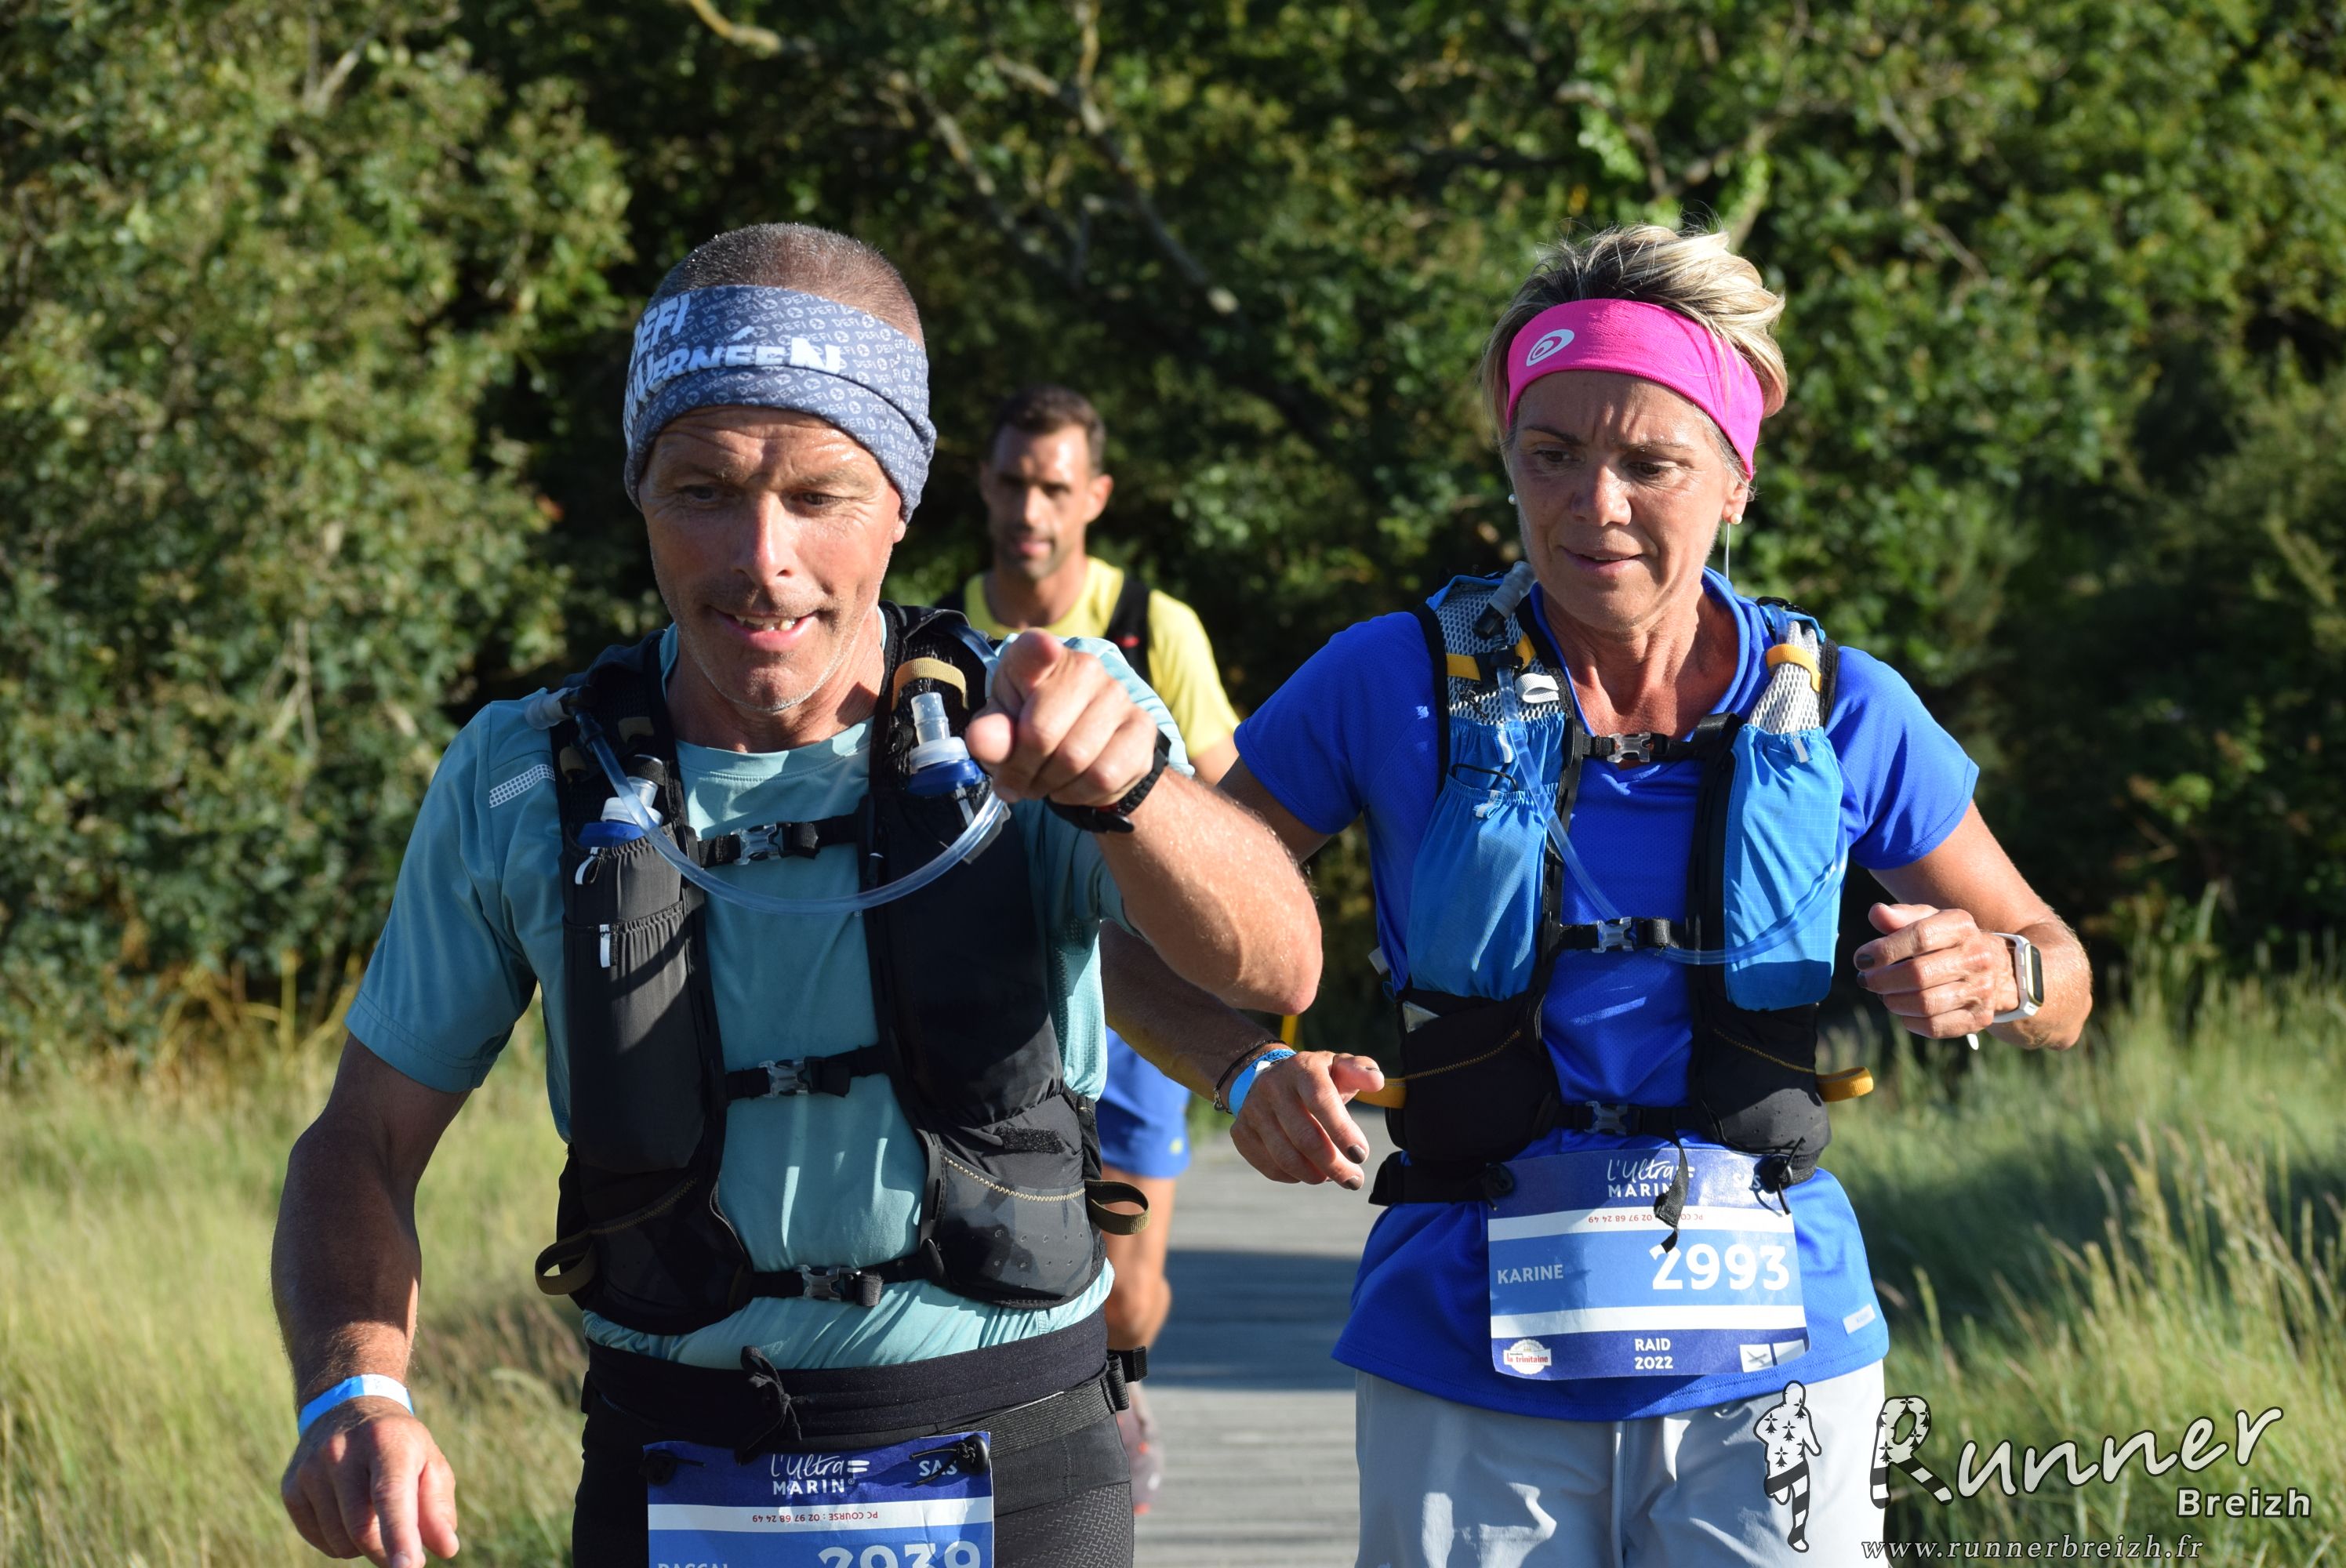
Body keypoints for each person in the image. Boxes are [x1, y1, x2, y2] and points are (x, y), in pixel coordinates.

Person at [270, 222, 1320, 1568]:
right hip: (665, 1467)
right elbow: (361, 1142)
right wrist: (356, 1394)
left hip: (1022, 1465)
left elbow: (1277, 965)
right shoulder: (524, 778)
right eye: (703, 488)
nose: (761, 554)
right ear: (640, 491)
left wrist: (1136, 796)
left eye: (820, 494)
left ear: (905, 499)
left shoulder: (1046, 711)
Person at [1100, 223, 2091, 1565]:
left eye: (1650, 464)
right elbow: (1124, 936)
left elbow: (2061, 976)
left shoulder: (1845, 706)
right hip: (1463, 1348)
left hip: (1779, 1355)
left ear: (1736, 481)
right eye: (1550, 455)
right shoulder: (1388, 682)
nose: (1594, 504)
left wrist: (2002, 974)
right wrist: (1244, 1068)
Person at [959, 383, 1244, 1513]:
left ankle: (1125, 1386)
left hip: (1134, 998)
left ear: (1096, 496)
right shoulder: (937, 631)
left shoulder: (1154, 627)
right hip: (996, 996)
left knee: (1128, 1296)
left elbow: (1234, 810)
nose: (1030, 510)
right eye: (1013, 482)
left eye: (1054, 487)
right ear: (984, 485)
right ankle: (1034, 1451)